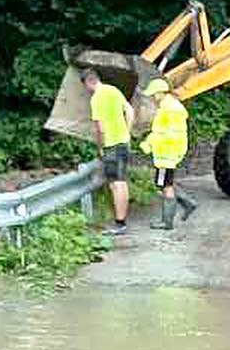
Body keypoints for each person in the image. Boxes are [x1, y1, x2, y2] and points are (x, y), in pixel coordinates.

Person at [140, 77, 196, 231]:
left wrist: (148, 144)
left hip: (166, 153)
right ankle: (187, 203)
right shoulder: (171, 107)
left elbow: (162, 133)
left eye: (153, 95)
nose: (152, 98)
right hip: (169, 152)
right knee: (164, 183)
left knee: (165, 186)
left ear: (160, 93)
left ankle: (167, 221)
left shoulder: (168, 110)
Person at [82, 67, 133, 234]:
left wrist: (100, 147)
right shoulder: (113, 90)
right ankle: (122, 221)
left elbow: (100, 129)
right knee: (121, 182)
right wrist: (127, 132)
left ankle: (120, 223)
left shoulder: (96, 98)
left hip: (111, 145)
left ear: (88, 83)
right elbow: (130, 111)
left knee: (116, 184)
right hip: (123, 142)